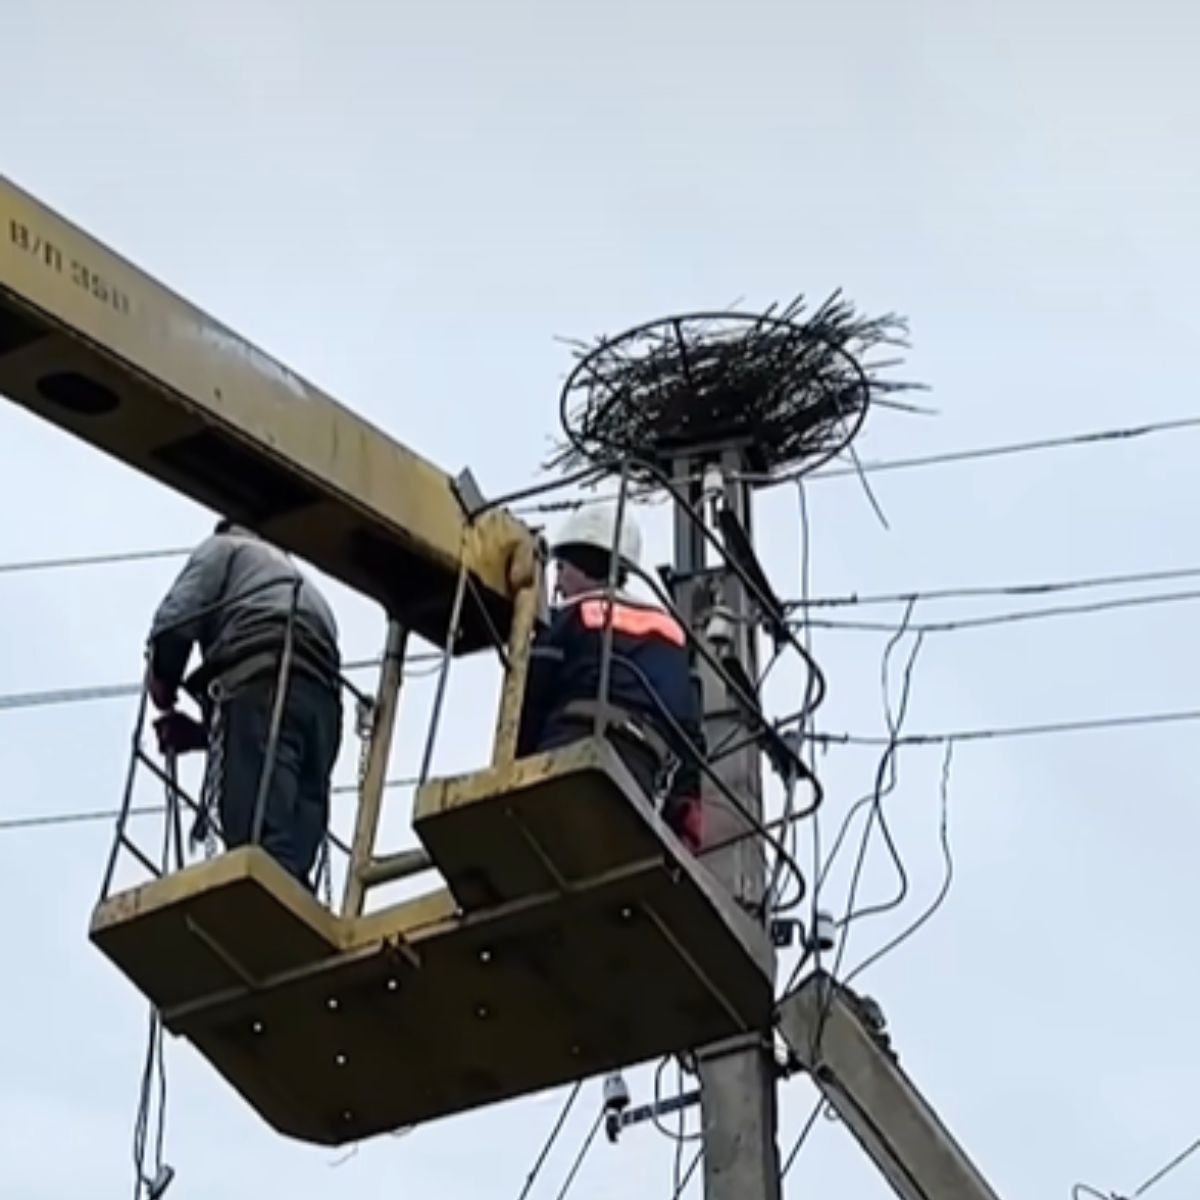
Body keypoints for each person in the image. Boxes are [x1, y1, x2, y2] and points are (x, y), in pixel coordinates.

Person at [145, 519, 343, 887]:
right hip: (322, 706)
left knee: (256, 831)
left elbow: (178, 616)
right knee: (296, 830)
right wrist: (204, 735)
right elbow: (274, 729)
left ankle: (264, 903)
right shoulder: (295, 580)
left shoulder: (224, 548)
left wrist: (163, 677)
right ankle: (293, 900)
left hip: (263, 673)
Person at [516, 506, 705, 850]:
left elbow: (530, 698)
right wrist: (685, 812)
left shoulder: (570, 617)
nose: (557, 583)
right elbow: (688, 733)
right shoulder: (671, 635)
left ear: (586, 566)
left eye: (562, 568)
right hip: (639, 778)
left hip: (569, 753)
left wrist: (513, 775)